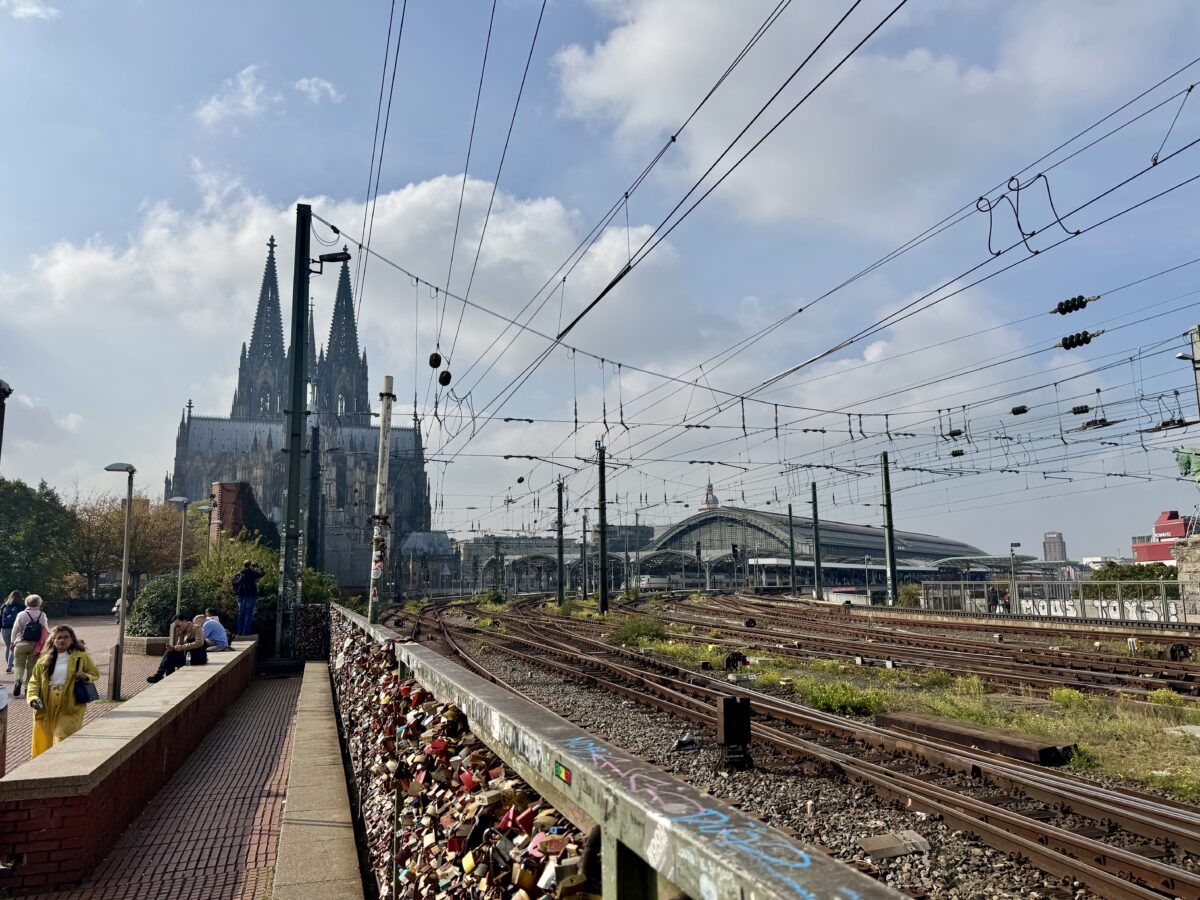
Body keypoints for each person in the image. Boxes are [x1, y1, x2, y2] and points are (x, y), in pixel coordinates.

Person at [26, 625, 99, 758]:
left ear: (72, 640)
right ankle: (43, 768)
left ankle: (60, 765)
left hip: (70, 703)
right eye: (58, 637)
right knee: (44, 739)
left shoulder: (81, 657)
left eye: (66, 637)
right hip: (46, 703)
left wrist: (85, 676)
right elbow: (34, 682)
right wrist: (32, 698)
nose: (62, 640)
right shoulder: (43, 661)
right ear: (53, 641)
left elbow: (94, 673)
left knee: (63, 736)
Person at [146, 614, 203, 683]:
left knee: (170, 660)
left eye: (179, 626)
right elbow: (179, 645)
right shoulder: (182, 631)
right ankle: (161, 676)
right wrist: (173, 648)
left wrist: (181, 647)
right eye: (176, 627)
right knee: (169, 653)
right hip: (187, 655)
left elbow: (199, 643)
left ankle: (164, 677)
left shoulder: (196, 628)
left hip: (197, 657)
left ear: (185, 621)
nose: (178, 628)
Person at [10, 595, 48, 699]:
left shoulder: (21, 614)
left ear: (26, 602)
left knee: (18, 665)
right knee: (32, 667)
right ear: (39, 603)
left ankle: (17, 682)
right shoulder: (42, 615)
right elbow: (45, 630)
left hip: (21, 643)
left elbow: (15, 629)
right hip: (35, 644)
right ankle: (28, 687)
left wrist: (12, 642)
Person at [232, 560, 264, 635]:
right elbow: (262, 574)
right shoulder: (252, 573)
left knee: (241, 613)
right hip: (250, 595)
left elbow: (234, 581)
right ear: (250, 565)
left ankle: (239, 632)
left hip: (240, 595)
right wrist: (260, 566)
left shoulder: (240, 572)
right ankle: (245, 633)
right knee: (248, 614)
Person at [2, 590, 23, 674]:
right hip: (15, 628)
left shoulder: (4, 605)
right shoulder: (20, 605)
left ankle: (9, 664)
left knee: (7, 647)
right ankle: (10, 667)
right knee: (14, 647)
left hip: (5, 628)